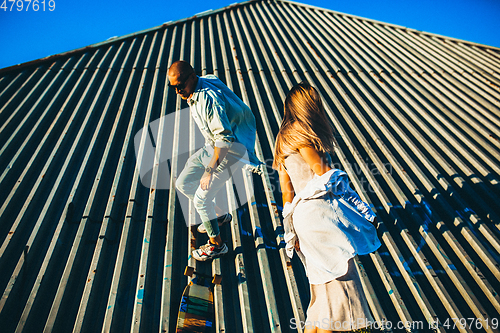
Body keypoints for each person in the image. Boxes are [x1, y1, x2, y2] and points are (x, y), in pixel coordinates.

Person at [273, 82, 381, 332]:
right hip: (321, 217)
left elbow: (286, 193)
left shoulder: (282, 139)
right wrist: (363, 209)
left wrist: (291, 231)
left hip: (303, 219)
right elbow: (325, 174)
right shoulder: (300, 132)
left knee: (322, 296)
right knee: (345, 291)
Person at [168, 60, 262, 261]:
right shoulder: (204, 81)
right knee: (183, 183)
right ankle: (218, 216)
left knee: (201, 199)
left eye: (180, 86)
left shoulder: (208, 100)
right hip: (212, 146)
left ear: (193, 77)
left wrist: (209, 171)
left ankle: (217, 245)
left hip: (230, 150)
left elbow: (225, 140)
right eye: (173, 87)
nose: (177, 92)